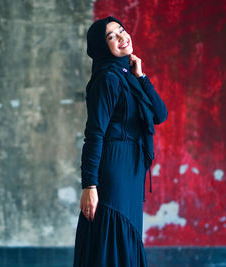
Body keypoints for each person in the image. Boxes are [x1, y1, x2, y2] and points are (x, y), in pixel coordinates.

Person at [73, 16, 168, 266]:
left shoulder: (128, 76)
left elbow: (160, 114)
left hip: (131, 171)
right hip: (114, 169)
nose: (122, 37)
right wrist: (89, 185)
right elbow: (94, 133)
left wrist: (141, 77)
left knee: (128, 235)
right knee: (115, 233)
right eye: (111, 36)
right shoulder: (107, 79)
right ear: (102, 47)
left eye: (122, 30)